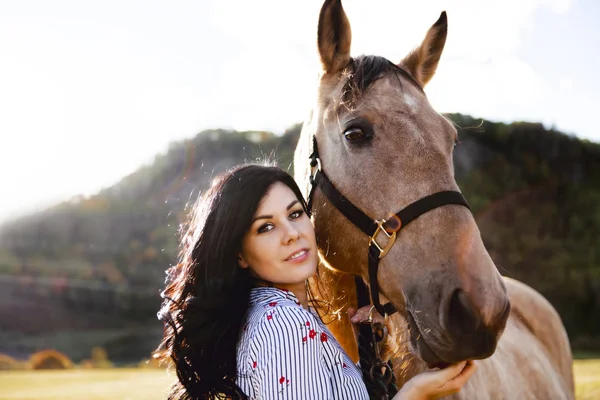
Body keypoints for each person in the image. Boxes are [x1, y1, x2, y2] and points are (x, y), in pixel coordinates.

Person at [155, 163, 476, 400]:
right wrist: (414, 395)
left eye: (295, 214)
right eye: (265, 228)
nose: (292, 234)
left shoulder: (269, 316)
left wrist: (366, 341)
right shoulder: (284, 323)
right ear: (240, 254)